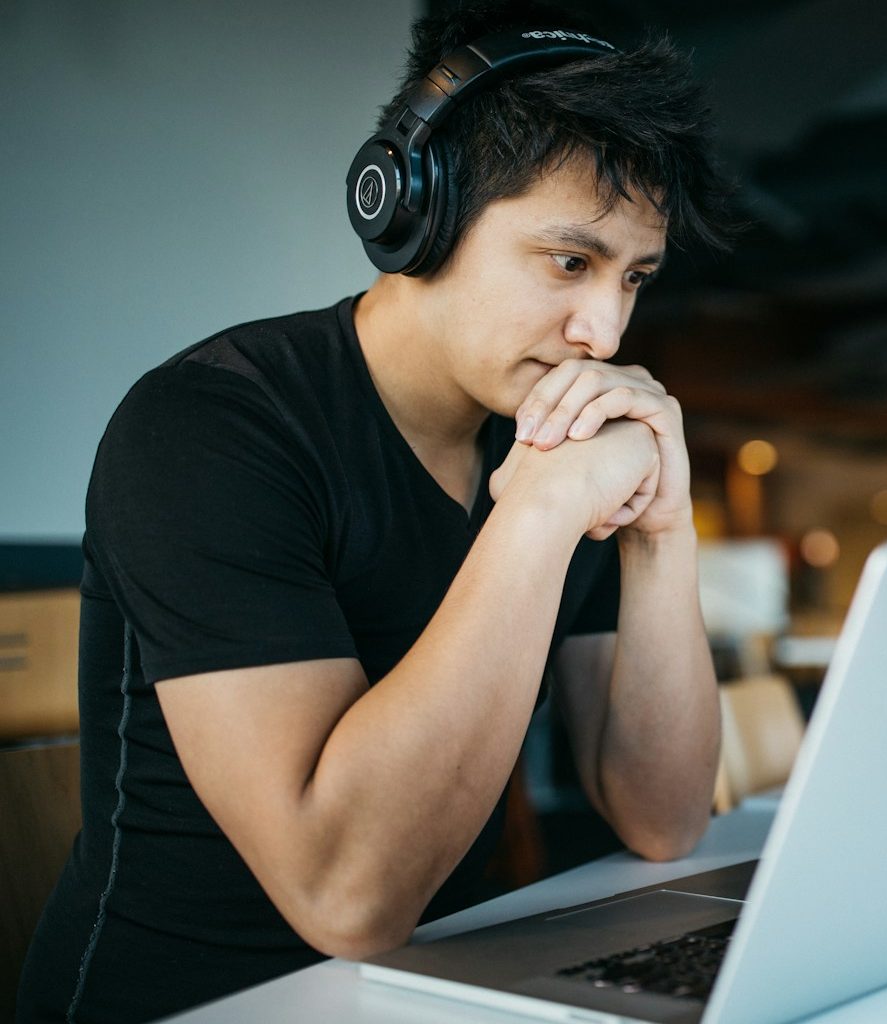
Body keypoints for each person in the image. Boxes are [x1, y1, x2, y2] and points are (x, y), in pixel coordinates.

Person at [17, 3, 738, 1021]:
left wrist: (665, 532)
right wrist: (534, 516)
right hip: (200, 1001)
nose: (605, 327)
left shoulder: (548, 435)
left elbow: (663, 820)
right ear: (416, 211)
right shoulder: (208, 428)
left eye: (635, 278)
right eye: (570, 262)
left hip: (439, 988)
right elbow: (346, 896)